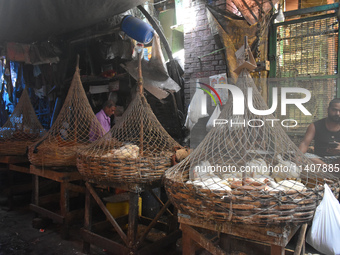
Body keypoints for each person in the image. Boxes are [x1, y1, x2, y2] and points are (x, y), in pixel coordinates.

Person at [299, 98, 340, 164]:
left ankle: (328, 169)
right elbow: (304, 144)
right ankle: (329, 169)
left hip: (337, 160)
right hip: (319, 160)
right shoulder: (315, 126)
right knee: (301, 155)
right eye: (334, 110)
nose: (337, 113)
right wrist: (298, 156)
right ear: (328, 109)